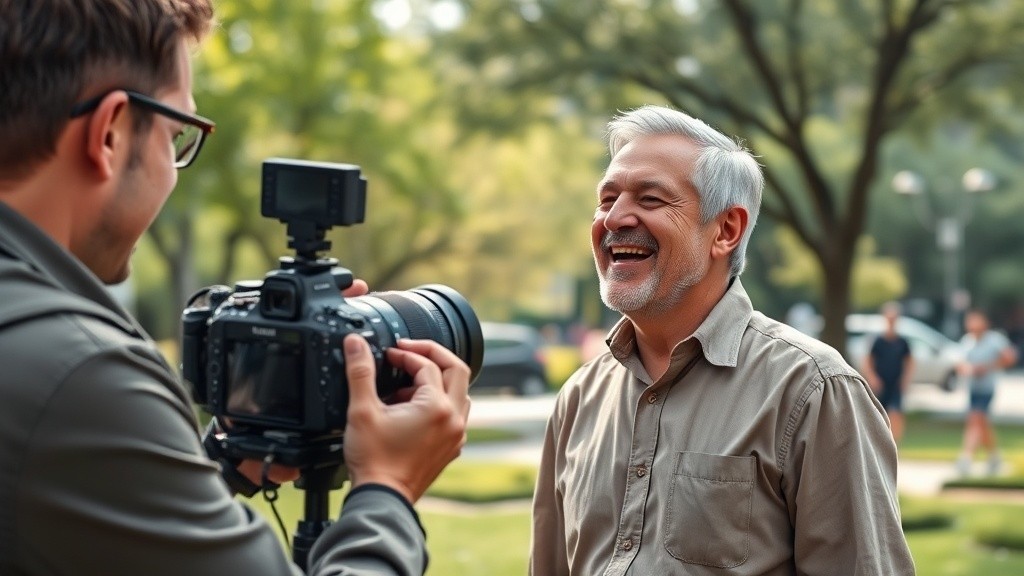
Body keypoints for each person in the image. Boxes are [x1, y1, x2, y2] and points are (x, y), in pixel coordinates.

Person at [0, 2, 471, 575]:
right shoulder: (79, 376)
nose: (173, 170)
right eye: (177, 135)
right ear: (110, 133)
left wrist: (217, 468)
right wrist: (388, 489)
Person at [530, 105, 915, 575]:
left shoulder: (813, 391)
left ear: (726, 231)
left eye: (650, 199)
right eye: (607, 199)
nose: (615, 219)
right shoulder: (578, 398)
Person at [955, 309, 1017, 476]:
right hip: (973, 388)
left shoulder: (995, 340)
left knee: (975, 419)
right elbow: (960, 364)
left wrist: (989, 367)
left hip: (987, 388)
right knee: (981, 423)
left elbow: (1010, 357)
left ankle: (966, 458)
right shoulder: (967, 342)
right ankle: (995, 457)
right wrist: (971, 369)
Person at [862, 302, 915, 444]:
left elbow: (909, 362)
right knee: (879, 412)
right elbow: (868, 361)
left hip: (896, 382)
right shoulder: (878, 341)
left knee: (896, 412)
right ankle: (879, 441)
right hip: (881, 382)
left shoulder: (902, 342)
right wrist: (872, 378)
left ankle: (894, 442)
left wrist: (906, 379)